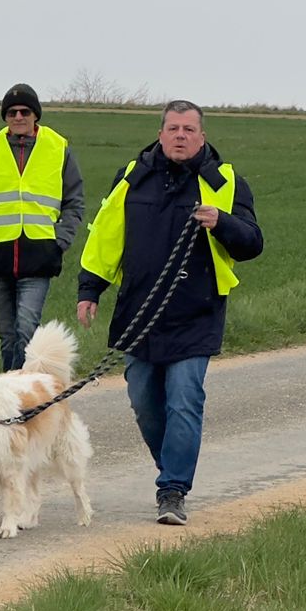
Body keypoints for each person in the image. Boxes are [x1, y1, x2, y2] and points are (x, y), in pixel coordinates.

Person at [76, 99, 263, 525]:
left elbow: (253, 242)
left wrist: (223, 222)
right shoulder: (132, 177)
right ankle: (171, 466)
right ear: (161, 134)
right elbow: (106, 238)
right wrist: (90, 290)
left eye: (189, 130)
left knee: (184, 400)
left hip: (196, 311)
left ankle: (173, 489)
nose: (181, 136)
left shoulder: (226, 181)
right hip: (139, 311)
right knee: (144, 402)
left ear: (202, 136)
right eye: (173, 128)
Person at [0, 84, 84, 371]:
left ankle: (20, 396)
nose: (18, 116)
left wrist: (61, 240)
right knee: (8, 336)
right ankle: (11, 395)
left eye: (24, 111)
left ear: (35, 115)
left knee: (26, 329)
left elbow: (74, 202)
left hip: (39, 255)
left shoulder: (58, 148)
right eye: (11, 112)